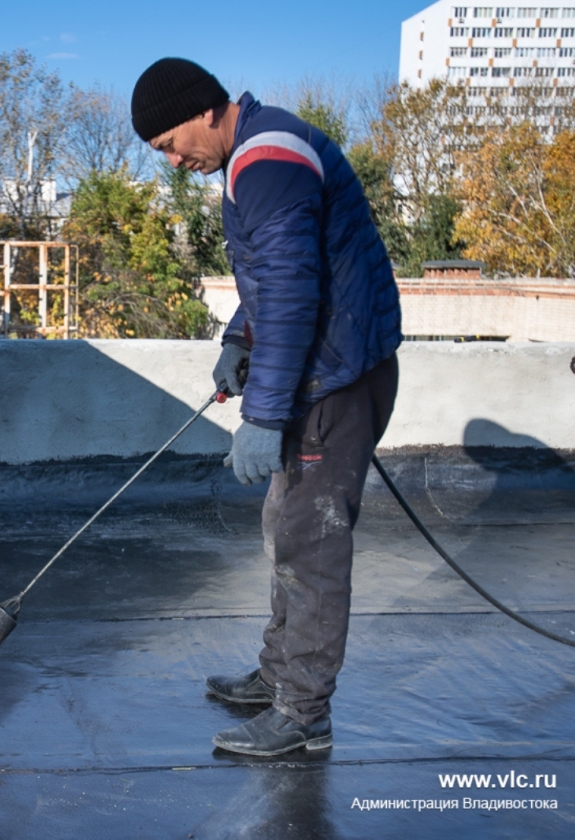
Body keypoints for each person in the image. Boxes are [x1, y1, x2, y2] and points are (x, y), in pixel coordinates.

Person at [130, 58, 402, 757]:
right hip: (324, 373)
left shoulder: (268, 157)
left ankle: (303, 715)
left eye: (168, 142)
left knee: (311, 543)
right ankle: (281, 675)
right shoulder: (254, 151)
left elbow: (289, 294)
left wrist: (263, 416)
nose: (171, 160)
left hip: (333, 385)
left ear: (204, 110)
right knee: (288, 526)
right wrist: (234, 342)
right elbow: (269, 277)